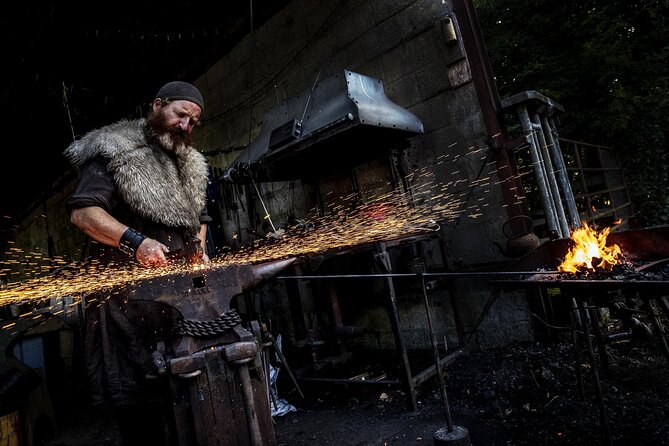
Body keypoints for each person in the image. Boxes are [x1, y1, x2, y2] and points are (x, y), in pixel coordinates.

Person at [63, 81, 212, 446]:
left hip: (177, 308)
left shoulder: (189, 165)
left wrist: (200, 250)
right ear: (157, 106)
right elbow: (84, 214)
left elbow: (201, 219)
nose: (185, 126)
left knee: (188, 409)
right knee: (142, 414)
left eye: (193, 122)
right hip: (127, 310)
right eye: (180, 114)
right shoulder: (115, 152)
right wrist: (136, 242)